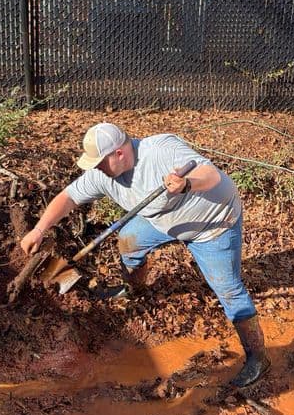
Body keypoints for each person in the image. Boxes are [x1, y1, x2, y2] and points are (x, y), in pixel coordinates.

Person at [20, 122, 270, 388]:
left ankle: (258, 357)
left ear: (119, 153)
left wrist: (187, 183)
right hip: (164, 218)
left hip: (212, 223)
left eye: (99, 162)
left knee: (228, 289)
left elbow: (212, 175)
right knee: (129, 240)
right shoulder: (102, 174)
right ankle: (133, 288)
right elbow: (69, 196)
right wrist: (38, 230)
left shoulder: (160, 150)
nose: (96, 169)